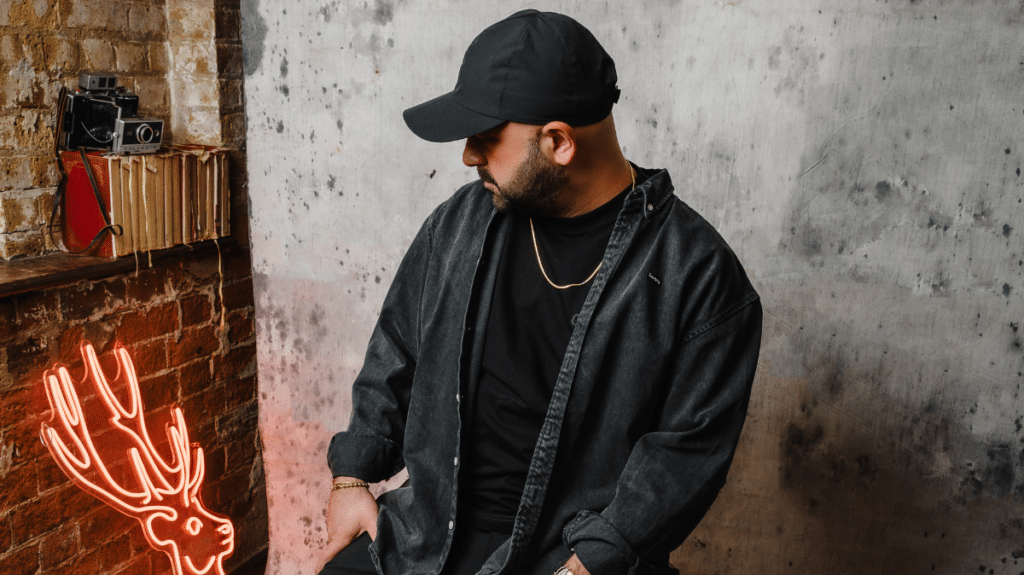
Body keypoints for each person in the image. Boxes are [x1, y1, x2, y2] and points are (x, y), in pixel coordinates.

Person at [316, 9, 762, 575]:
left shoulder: (697, 274)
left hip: (568, 559)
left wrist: (589, 565)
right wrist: (351, 478)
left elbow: (685, 459)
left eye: (485, 139)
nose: (467, 156)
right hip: (428, 534)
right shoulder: (459, 223)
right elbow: (396, 350)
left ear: (558, 142)